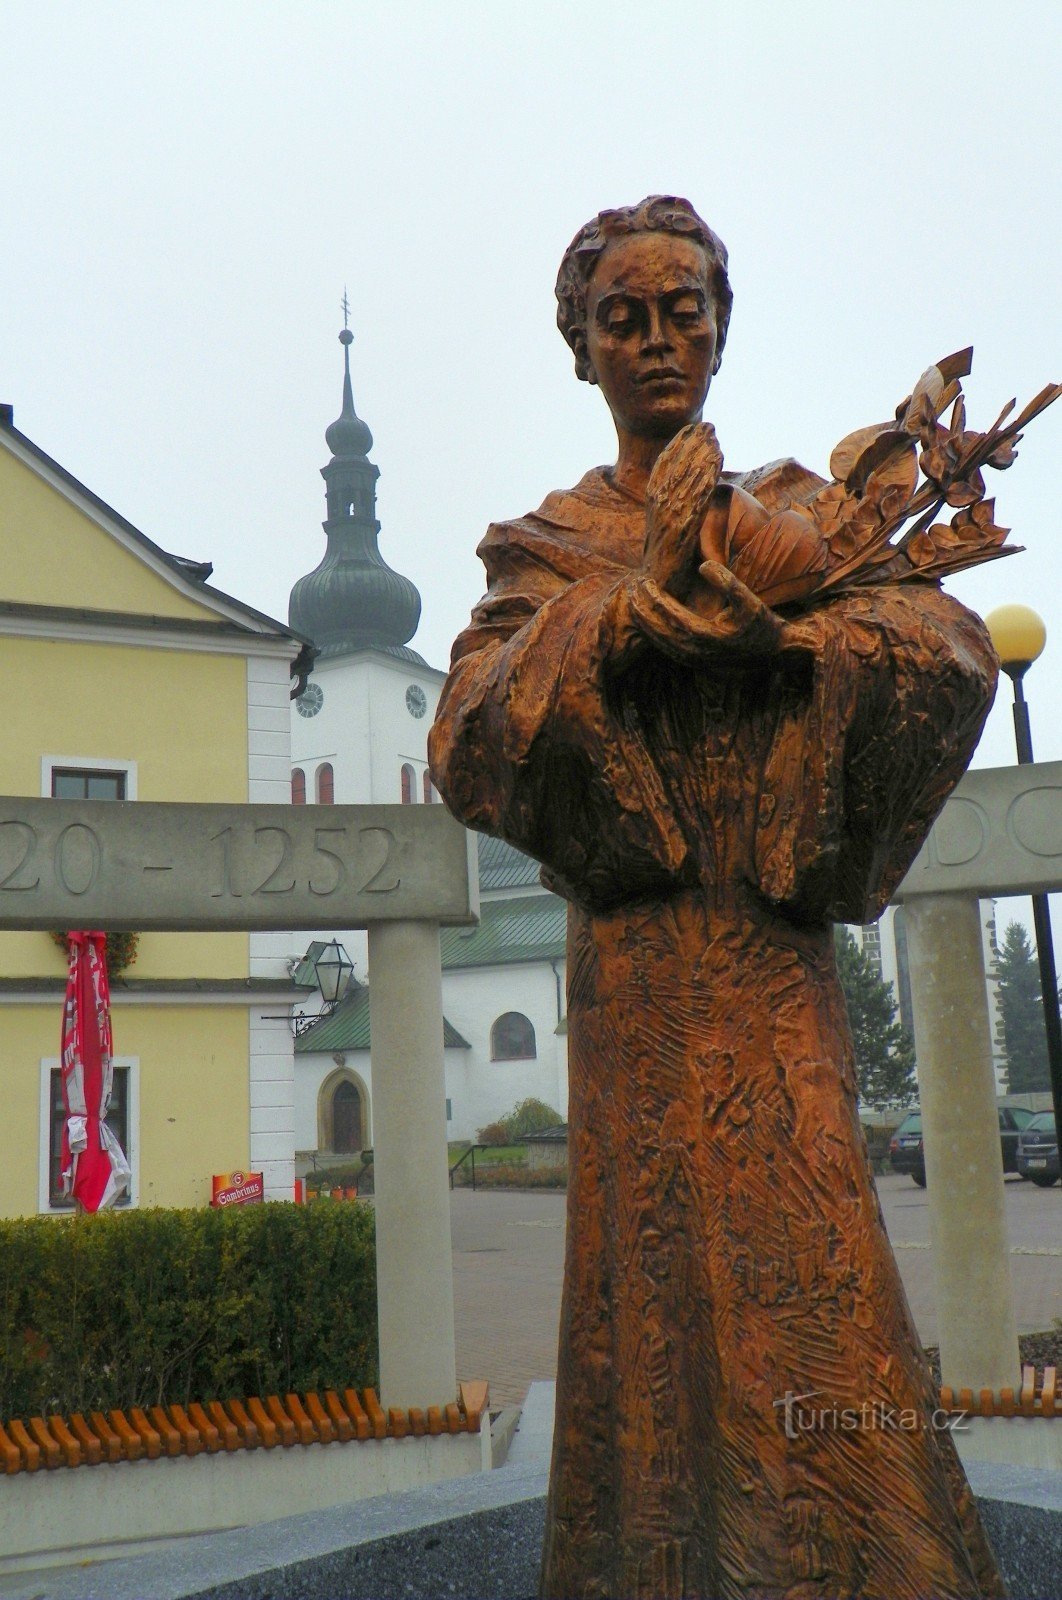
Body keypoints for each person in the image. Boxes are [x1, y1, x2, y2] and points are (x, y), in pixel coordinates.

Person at [429, 196, 1004, 1599]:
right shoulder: (546, 545)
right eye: (621, 318)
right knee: (654, 1276)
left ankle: (857, 1551)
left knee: (803, 1248)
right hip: (630, 971)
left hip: (765, 957)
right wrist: (620, 618)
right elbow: (466, 732)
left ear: (720, 328)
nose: (656, 339)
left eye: (682, 309)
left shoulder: (801, 513)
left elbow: (942, 652)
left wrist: (781, 655)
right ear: (581, 348)